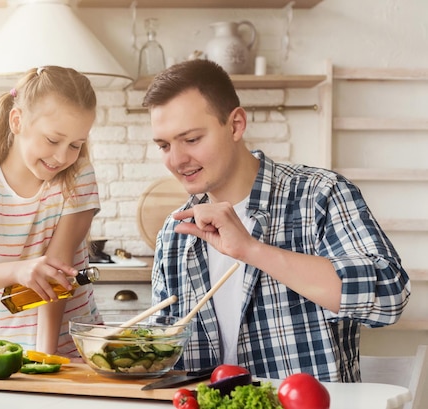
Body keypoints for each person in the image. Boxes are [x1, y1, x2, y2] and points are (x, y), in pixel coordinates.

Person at [142, 59, 411, 382]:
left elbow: (389, 297)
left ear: (236, 125)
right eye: (164, 145)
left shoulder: (319, 195)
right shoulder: (175, 236)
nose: (176, 160)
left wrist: (251, 250)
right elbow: (162, 360)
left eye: (191, 139)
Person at [0, 66, 101, 357]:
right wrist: (19, 271)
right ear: (17, 121)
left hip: (75, 353)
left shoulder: (78, 175)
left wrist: (46, 361)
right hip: (5, 352)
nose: (62, 157)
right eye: (53, 140)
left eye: (75, 144)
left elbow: (56, 275)